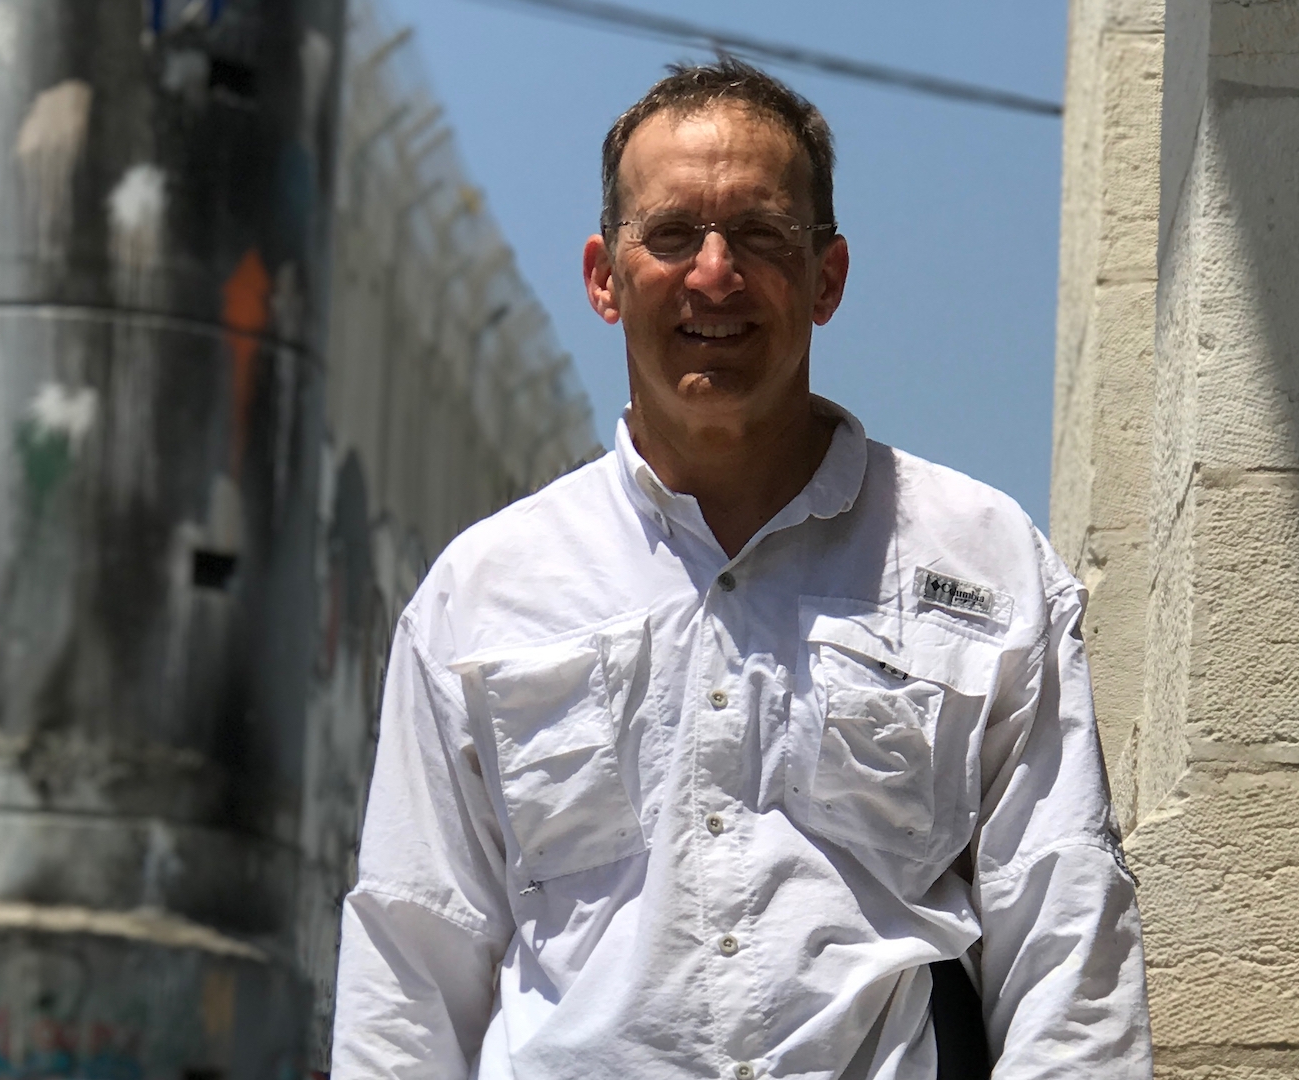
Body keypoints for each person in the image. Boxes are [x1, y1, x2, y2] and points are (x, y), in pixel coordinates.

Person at [331, 58, 1150, 1079]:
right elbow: (411, 961)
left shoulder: (981, 565)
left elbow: (1067, 939)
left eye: (760, 236)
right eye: (671, 235)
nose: (713, 273)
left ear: (827, 278)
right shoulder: (481, 595)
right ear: (604, 276)